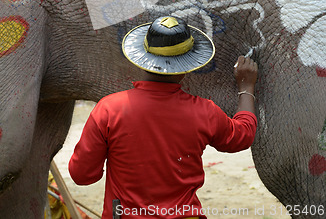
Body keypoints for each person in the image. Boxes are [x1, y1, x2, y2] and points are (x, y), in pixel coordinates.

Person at [69, 16, 258, 219]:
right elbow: (242, 135)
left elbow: (82, 175)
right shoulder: (204, 111)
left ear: (143, 59)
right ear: (187, 67)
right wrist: (246, 87)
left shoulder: (108, 110)